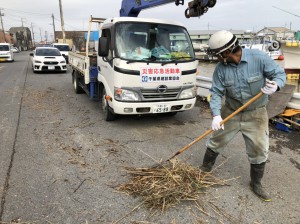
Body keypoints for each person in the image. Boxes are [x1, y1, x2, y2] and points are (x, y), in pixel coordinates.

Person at [201, 30, 286, 202]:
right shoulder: (221, 69)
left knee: (259, 149)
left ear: (226, 52)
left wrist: (276, 85)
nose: (216, 58)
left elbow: (279, 75)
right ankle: (203, 171)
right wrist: (216, 115)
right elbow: (216, 92)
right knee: (216, 141)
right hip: (230, 111)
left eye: (217, 54)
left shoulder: (259, 58)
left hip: (256, 114)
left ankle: (256, 183)